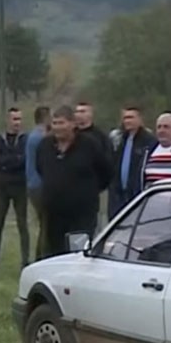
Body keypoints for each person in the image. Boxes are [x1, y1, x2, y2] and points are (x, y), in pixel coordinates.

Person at [36, 106, 113, 257]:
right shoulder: (45, 146)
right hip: (54, 215)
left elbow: (106, 172)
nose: (57, 128)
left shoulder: (89, 145)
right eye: (55, 123)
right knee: (54, 255)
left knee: (78, 255)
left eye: (61, 123)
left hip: (81, 215)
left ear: (73, 124)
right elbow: (40, 169)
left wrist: (87, 191)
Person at [0, 106, 29, 268]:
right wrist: (11, 161)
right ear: (8, 120)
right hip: (2, 187)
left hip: (20, 187)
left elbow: (23, 160)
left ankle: (25, 260)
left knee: (22, 224)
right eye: (14, 119)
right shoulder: (0, 139)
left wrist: (5, 162)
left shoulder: (25, 139)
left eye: (19, 119)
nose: (17, 122)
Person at [109, 106, 154, 219]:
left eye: (131, 117)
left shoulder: (148, 141)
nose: (127, 121)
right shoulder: (120, 140)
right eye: (125, 118)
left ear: (140, 119)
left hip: (137, 194)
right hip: (119, 196)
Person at [24, 106, 50, 261]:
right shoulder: (40, 138)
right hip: (39, 185)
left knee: (43, 225)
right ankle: (41, 257)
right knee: (46, 225)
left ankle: (40, 256)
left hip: (32, 185)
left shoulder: (31, 135)